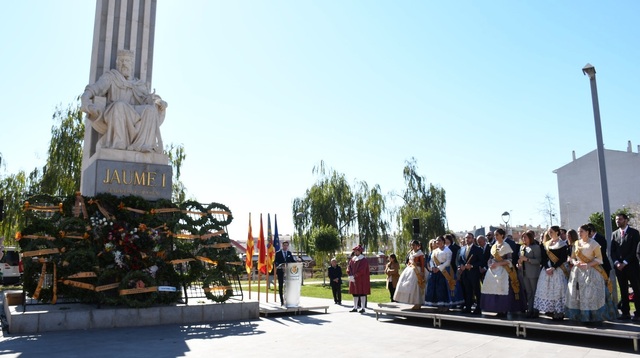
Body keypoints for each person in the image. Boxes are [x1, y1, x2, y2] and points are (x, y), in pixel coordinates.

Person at [81, 49, 167, 153]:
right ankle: (119, 143)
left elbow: (149, 97)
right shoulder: (111, 77)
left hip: (133, 112)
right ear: (117, 63)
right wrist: (85, 97)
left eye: (127, 61)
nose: (124, 64)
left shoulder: (138, 84)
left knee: (150, 110)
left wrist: (160, 102)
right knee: (120, 106)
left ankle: (142, 145)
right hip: (114, 111)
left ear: (132, 65)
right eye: (122, 61)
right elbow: (95, 88)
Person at [565, 224, 616, 325]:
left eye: (581, 231)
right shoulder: (576, 243)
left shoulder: (594, 243)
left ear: (587, 232)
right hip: (577, 272)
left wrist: (588, 265)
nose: (579, 233)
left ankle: (592, 316)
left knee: (589, 295)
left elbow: (599, 259)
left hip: (591, 272)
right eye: (578, 231)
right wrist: (574, 262)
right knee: (578, 295)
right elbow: (571, 258)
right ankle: (580, 316)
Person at [480, 229, 524, 317]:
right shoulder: (494, 246)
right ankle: (497, 308)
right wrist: (490, 263)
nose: (495, 237)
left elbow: (509, 260)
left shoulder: (506, 246)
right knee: (492, 288)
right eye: (495, 235)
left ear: (502, 235)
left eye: (497, 235)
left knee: (502, 289)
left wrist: (498, 264)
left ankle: (504, 309)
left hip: (504, 270)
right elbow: (490, 258)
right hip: (493, 270)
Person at [533, 226, 569, 320]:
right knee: (547, 289)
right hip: (547, 270)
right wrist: (546, 268)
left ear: (557, 232)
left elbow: (562, 259)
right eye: (549, 232)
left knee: (558, 290)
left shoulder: (562, 244)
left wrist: (553, 268)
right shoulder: (546, 244)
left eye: (551, 232)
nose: (550, 233)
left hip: (558, 270)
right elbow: (543, 258)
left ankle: (559, 312)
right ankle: (550, 311)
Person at [610, 213, 640, 320]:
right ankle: (625, 312)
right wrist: (617, 262)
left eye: (620, 219)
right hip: (619, 268)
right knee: (623, 290)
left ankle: (638, 313)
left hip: (631, 266)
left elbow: (634, 250)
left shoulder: (634, 233)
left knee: (636, 289)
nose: (618, 221)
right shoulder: (614, 234)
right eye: (616, 220)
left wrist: (625, 262)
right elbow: (612, 251)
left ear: (626, 220)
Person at [425, 235, 455, 312]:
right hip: (435, 271)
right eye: (437, 241)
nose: (438, 242)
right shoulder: (434, 251)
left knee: (443, 288)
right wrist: (432, 268)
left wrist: (439, 268)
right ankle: (438, 304)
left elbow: (448, 262)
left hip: (444, 271)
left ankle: (445, 305)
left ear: (443, 241)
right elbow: (431, 261)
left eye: (440, 240)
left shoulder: (448, 250)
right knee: (435, 288)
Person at [393, 241, 426, 309]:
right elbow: (409, 261)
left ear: (417, 245)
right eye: (411, 245)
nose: (412, 246)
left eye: (413, 245)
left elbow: (422, 264)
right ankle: (414, 301)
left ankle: (418, 303)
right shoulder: (411, 253)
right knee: (409, 286)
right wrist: (409, 264)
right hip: (410, 270)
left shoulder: (420, 253)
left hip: (417, 271)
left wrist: (422, 272)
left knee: (417, 287)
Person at [517, 231, 541, 318]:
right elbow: (520, 258)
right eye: (523, 237)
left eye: (525, 237)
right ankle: (529, 309)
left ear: (530, 238)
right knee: (529, 292)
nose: (524, 239)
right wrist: (519, 263)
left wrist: (527, 259)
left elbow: (538, 260)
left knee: (535, 292)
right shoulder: (521, 247)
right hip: (524, 272)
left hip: (533, 273)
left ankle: (535, 310)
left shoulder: (535, 247)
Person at [457, 233, 483, 314]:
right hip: (465, 274)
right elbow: (459, 260)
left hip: (474, 273)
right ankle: (468, 307)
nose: (467, 239)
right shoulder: (462, 249)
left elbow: (481, 261)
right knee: (467, 291)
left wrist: (471, 266)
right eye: (466, 238)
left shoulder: (478, 249)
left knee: (476, 291)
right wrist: (460, 266)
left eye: (469, 238)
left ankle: (478, 308)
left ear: (473, 239)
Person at [347, 244, 370, 313]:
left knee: (362, 293)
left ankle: (363, 308)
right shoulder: (352, 259)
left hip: (361, 279)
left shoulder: (363, 260)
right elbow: (349, 267)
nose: (355, 252)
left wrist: (355, 275)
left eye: (356, 251)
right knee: (355, 293)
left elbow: (362, 270)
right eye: (355, 251)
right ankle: (355, 307)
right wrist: (350, 274)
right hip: (353, 279)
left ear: (360, 251)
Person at [274, 241, 297, 306]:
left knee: (288, 286)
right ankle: (282, 301)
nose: (285, 247)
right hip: (280, 271)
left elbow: (292, 261)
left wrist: (298, 262)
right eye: (284, 245)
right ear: (282, 245)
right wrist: (279, 265)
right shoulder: (278, 253)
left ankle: (288, 300)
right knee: (281, 285)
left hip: (288, 272)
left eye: (287, 245)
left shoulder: (289, 253)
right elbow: (276, 262)